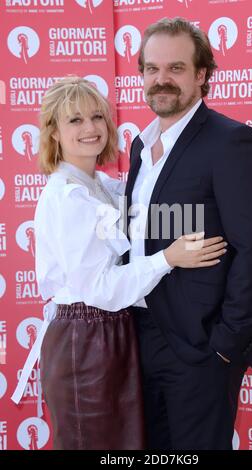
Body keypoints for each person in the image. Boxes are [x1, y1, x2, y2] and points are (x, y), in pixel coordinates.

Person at [11, 77, 227, 450]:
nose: (91, 128)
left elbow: (151, 217)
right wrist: (168, 259)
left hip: (114, 335)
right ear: (54, 133)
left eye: (97, 116)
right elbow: (99, 288)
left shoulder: (104, 186)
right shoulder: (69, 197)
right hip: (85, 341)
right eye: (75, 121)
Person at [124, 18, 252, 450]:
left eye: (175, 68)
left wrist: (225, 346)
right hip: (137, 337)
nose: (162, 80)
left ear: (201, 74)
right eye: (151, 69)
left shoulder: (232, 142)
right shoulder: (140, 146)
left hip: (200, 346)